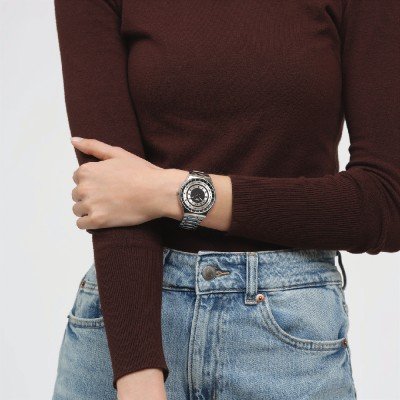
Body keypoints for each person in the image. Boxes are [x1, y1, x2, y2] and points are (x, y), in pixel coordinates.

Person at [51, 1, 400, 399]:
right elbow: (110, 188)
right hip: (124, 328)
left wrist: (172, 192)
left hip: (286, 337)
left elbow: (387, 200)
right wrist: (137, 375)